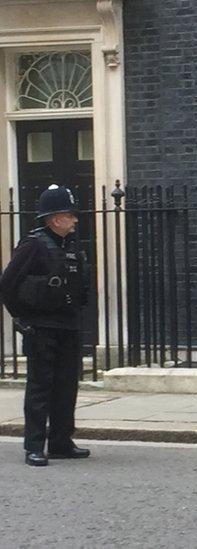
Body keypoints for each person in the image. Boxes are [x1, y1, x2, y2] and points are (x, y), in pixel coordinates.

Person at [0, 185, 92, 466]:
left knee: (66, 386)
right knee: (40, 387)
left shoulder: (73, 246)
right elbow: (7, 285)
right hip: (41, 327)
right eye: (70, 215)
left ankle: (61, 441)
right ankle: (35, 445)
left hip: (68, 325)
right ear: (55, 219)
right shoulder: (33, 245)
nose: (75, 220)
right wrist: (22, 319)